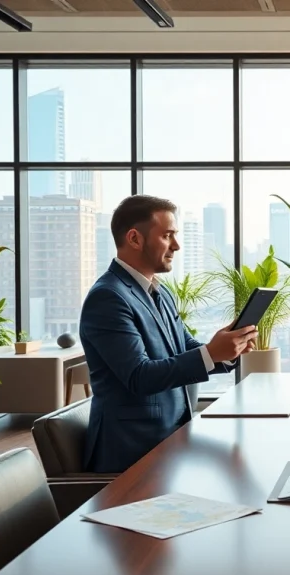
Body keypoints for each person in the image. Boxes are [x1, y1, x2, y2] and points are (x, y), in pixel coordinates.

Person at [79, 195, 259, 473]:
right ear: (134, 238)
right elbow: (139, 376)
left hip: (172, 442)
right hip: (132, 453)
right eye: (167, 235)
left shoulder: (161, 292)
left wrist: (226, 351)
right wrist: (211, 353)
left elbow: (183, 347)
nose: (176, 245)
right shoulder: (107, 298)